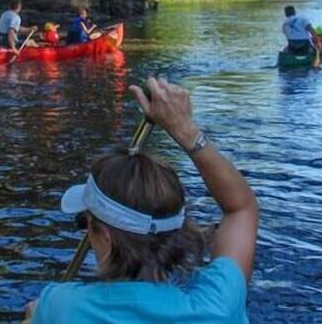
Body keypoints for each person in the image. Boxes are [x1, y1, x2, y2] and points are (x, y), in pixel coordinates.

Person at [24, 77, 259, 323]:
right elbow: (241, 209)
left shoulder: (59, 307)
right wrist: (187, 132)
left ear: (105, 235)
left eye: (85, 223)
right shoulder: (218, 305)